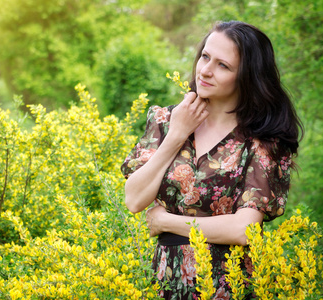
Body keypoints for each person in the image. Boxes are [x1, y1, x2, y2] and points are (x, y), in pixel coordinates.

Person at [120, 21, 303, 299]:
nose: (205, 70)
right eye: (205, 57)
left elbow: (244, 230)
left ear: (246, 76)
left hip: (228, 285)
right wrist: (177, 134)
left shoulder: (261, 141)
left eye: (223, 65)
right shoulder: (164, 120)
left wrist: (166, 222)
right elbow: (134, 199)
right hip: (166, 281)